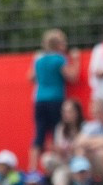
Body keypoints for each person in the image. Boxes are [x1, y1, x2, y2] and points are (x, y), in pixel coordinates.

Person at [29, 28, 80, 172]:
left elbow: (31, 77)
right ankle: (56, 163)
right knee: (57, 131)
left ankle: (32, 167)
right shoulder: (59, 59)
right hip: (55, 99)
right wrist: (76, 60)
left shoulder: (39, 60)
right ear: (58, 45)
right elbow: (72, 77)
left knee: (39, 133)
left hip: (39, 99)